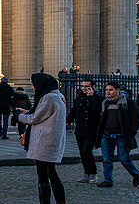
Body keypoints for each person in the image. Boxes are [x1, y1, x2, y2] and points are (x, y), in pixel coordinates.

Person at [16, 73, 67, 204]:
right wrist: (26, 112)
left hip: (44, 142)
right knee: (51, 173)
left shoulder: (49, 98)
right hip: (51, 140)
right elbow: (45, 115)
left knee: (44, 176)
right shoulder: (58, 96)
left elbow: (35, 118)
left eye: (34, 85)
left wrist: (19, 117)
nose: (33, 88)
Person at [94, 80, 139, 188]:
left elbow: (136, 118)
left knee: (123, 158)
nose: (108, 92)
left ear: (118, 90)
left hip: (121, 135)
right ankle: (108, 180)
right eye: (106, 90)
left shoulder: (127, 102)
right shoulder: (105, 102)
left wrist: (131, 131)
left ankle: (136, 174)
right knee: (106, 159)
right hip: (107, 134)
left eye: (111, 90)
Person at [66, 77, 103, 184]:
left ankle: (93, 173)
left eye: (87, 86)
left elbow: (96, 110)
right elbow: (73, 111)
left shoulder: (99, 99)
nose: (84, 88)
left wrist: (91, 97)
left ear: (94, 87)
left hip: (92, 130)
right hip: (80, 129)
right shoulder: (79, 98)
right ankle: (86, 173)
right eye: (82, 86)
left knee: (87, 150)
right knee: (82, 152)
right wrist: (67, 121)